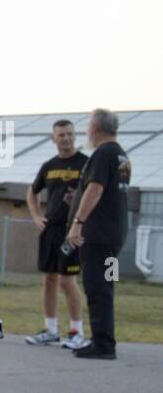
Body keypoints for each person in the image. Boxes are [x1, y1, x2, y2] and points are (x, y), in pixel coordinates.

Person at [66, 109, 130, 360]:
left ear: (96, 129)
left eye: (88, 126)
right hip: (115, 235)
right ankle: (104, 338)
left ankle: (103, 344)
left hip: (99, 236)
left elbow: (95, 188)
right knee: (106, 285)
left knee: (97, 286)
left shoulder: (103, 154)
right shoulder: (121, 155)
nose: (86, 131)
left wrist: (78, 222)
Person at [24, 119, 87, 347]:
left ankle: (76, 331)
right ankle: (51, 330)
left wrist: (82, 223)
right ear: (54, 138)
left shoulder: (86, 164)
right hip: (50, 230)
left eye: (70, 134)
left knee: (67, 281)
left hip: (72, 230)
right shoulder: (49, 166)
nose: (66, 138)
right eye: (61, 135)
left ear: (75, 136)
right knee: (49, 280)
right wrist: (35, 215)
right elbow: (31, 192)